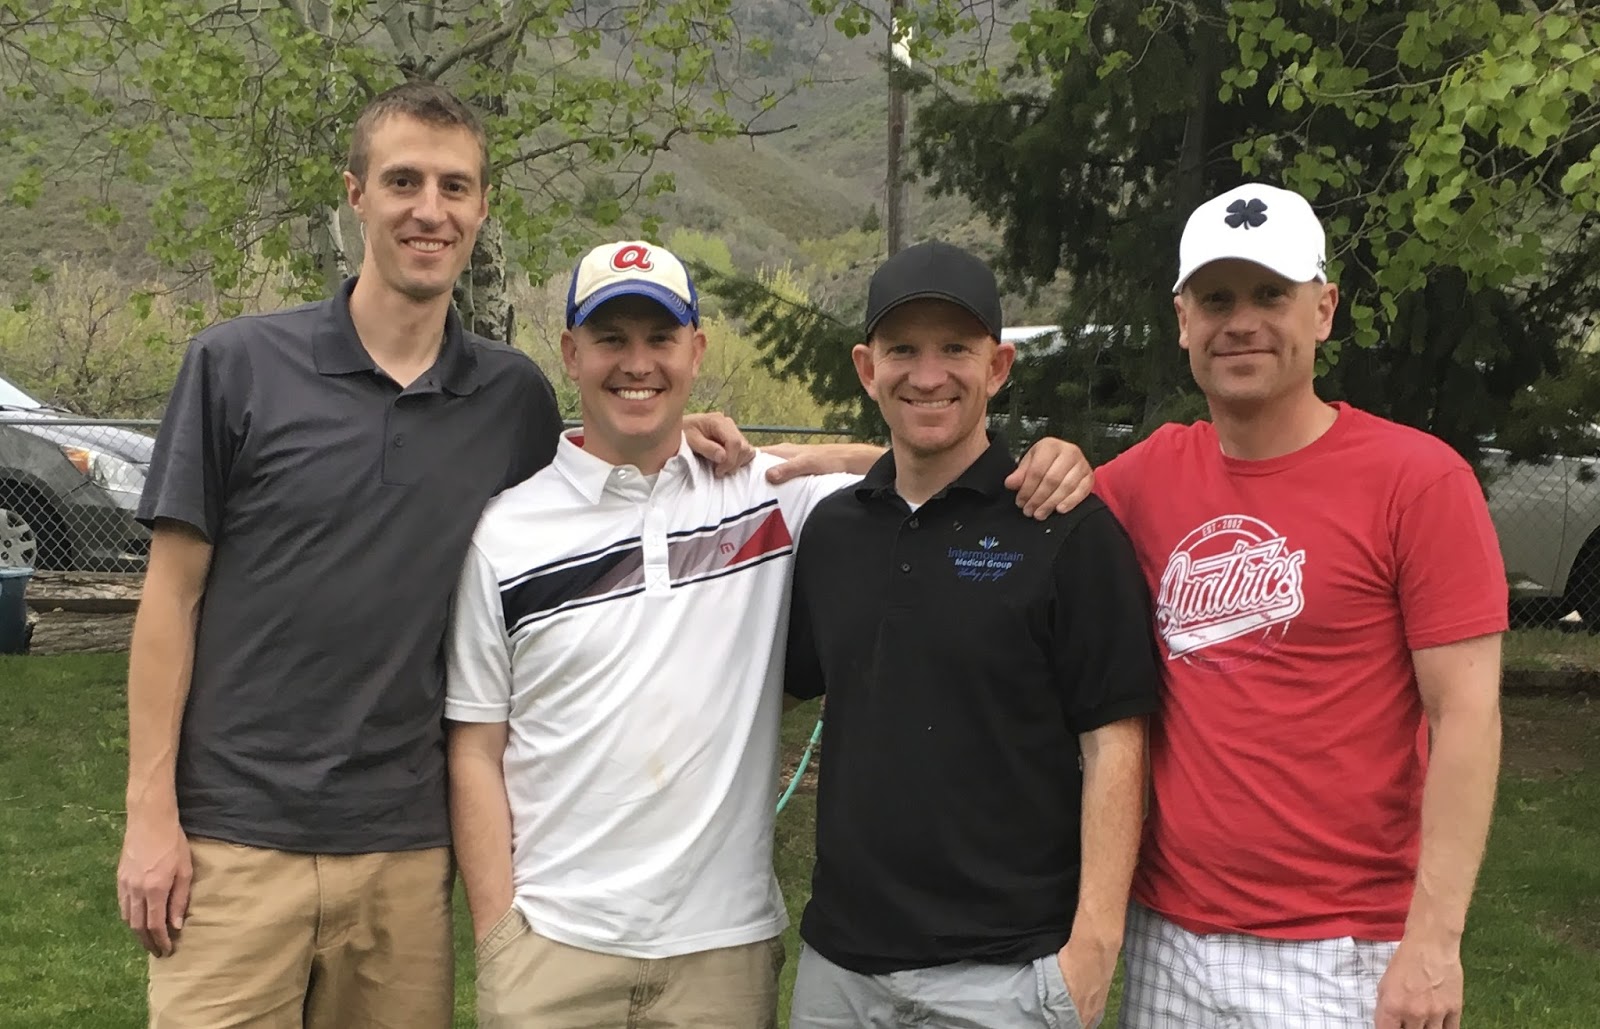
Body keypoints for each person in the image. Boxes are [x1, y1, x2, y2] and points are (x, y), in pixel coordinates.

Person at [116, 82, 754, 1028]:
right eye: (403, 180)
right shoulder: (237, 366)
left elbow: (593, 489)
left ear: (482, 208)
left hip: (408, 855)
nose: (430, 209)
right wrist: (149, 815)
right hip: (235, 841)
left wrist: (684, 434)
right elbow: (169, 599)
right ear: (356, 195)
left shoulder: (512, 399)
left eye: (455, 187)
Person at [442, 239, 1093, 1029]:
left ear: (696, 351)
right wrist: (499, 931)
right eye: (611, 338)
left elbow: (934, 465)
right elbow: (475, 746)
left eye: (660, 338)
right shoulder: (507, 533)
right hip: (554, 947)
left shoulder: (765, 497)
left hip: (722, 952)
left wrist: (1041, 463)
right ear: (571, 353)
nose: (637, 362)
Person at [1093, 183, 1507, 1029]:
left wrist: (1434, 942)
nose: (1241, 322)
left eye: (1270, 294)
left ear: (1323, 310)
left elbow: (1467, 715)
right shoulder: (1145, 479)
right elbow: (981, 498)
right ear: (1183, 320)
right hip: (1168, 932)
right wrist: (824, 462)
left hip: (1341, 949)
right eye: (1217, 299)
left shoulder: (1418, 481)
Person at [782, 240, 1162, 1029]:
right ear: (867, 368)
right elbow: (791, 684)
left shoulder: (1064, 528)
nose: (928, 375)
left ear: (998, 366)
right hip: (841, 972)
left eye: (955, 348)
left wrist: (1095, 945)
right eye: (903, 350)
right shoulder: (834, 531)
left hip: (1004, 977)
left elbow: (1115, 743)